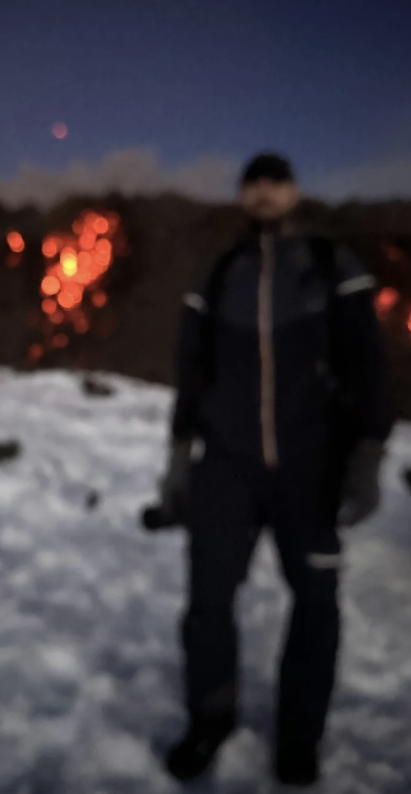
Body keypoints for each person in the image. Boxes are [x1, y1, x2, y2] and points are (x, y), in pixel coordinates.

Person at [161, 152, 393, 787]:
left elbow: (368, 365)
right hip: (227, 469)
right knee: (207, 602)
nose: (263, 192)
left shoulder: (330, 265)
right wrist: (180, 458)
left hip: (309, 466)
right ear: (243, 196)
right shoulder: (218, 271)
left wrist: (367, 455)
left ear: (293, 192)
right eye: (253, 183)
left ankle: (299, 736)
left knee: (317, 603)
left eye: (276, 182)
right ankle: (210, 719)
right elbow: (191, 369)